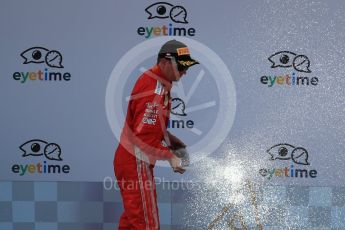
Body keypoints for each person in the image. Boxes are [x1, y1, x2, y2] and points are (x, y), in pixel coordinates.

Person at [114, 39, 199, 229]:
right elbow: (142, 139)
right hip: (135, 162)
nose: (186, 72)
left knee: (132, 222)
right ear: (165, 63)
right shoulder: (155, 89)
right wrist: (170, 156)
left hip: (132, 161)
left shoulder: (156, 83)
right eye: (182, 66)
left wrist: (170, 140)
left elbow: (146, 128)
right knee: (146, 224)